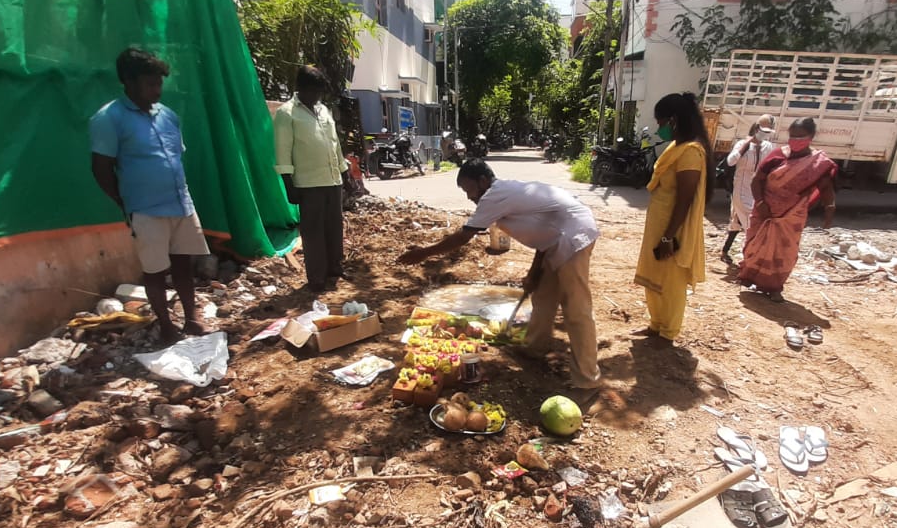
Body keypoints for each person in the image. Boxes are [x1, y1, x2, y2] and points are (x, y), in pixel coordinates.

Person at [397, 159, 602, 393]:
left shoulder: (494, 195)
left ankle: (587, 379)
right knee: (543, 295)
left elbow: (464, 236)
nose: (469, 197)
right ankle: (534, 347)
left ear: (483, 181)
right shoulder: (505, 192)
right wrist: (533, 272)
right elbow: (544, 235)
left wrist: (424, 253)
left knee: (576, 309)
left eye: (469, 189)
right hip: (558, 238)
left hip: (574, 237)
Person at [90, 47, 208, 343]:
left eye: (159, 83)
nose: (157, 90)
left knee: (183, 264)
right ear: (128, 82)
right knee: (155, 270)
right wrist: (123, 201)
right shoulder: (109, 118)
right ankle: (166, 326)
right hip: (145, 209)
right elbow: (101, 167)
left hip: (181, 203)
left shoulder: (168, 116)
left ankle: (191, 319)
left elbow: (175, 157)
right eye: (150, 83)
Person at [633, 92, 716, 342]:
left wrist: (668, 236)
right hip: (659, 226)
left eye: (661, 122)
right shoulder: (675, 147)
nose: (659, 127)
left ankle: (668, 333)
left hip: (674, 229)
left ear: (674, 120)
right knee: (653, 276)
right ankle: (655, 324)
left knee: (670, 283)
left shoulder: (691, 152)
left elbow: (685, 199)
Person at [738, 117, 837, 303]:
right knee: (755, 245)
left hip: (791, 215)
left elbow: (826, 187)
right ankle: (748, 276)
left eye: (801, 137)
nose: (795, 141)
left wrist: (830, 208)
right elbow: (757, 180)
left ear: (811, 137)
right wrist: (761, 203)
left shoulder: (818, 163)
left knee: (785, 252)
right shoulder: (777, 155)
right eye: (792, 136)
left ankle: (774, 286)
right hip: (765, 211)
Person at [275, 65, 348, 293]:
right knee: (313, 232)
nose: (317, 96)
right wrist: (288, 184)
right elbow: (282, 151)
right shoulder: (287, 114)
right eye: (313, 91)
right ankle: (316, 277)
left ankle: (334, 268)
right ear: (301, 88)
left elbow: (334, 144)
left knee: (334, 228)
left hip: (332, 180)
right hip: (309, 184)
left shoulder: (323, 110)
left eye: (319, 92)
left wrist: (344, 172)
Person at [722, 114, 777, 263]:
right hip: (741, 189)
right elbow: (730, 162)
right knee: (752, 224)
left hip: (757, 191)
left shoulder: (769, 147)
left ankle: (726, 251)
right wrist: (746, 145)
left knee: (736, 222)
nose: (765, 134)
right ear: (756, 128)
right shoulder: (742, 144)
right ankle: (751, 258)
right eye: (763, 131)